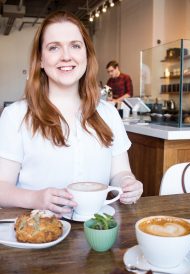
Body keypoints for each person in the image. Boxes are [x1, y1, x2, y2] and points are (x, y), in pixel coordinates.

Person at [0, 11, 143, 217]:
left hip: (98, 231)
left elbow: (120, 172)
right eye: (54, 47)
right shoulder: (16, 116)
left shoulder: (108, 114)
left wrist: (128, 183)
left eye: (75, 45)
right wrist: (36, 198)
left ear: (86, 55)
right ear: (40, 59)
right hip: (38, 236)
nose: (66, 56)